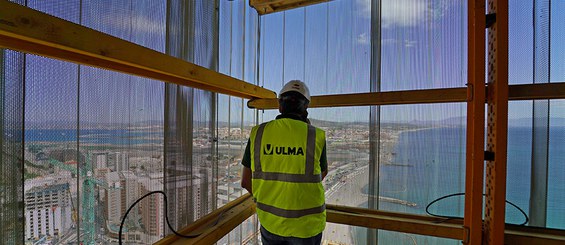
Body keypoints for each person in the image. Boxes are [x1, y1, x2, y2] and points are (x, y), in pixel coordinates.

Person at [241, 80, 328, 245]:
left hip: (270, 224)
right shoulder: (316, 136)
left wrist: (269, 199)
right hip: (307, 227)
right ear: (305, 108)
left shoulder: (258, 133)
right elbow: (319, 175)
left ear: (280, 105)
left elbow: (246, 181)